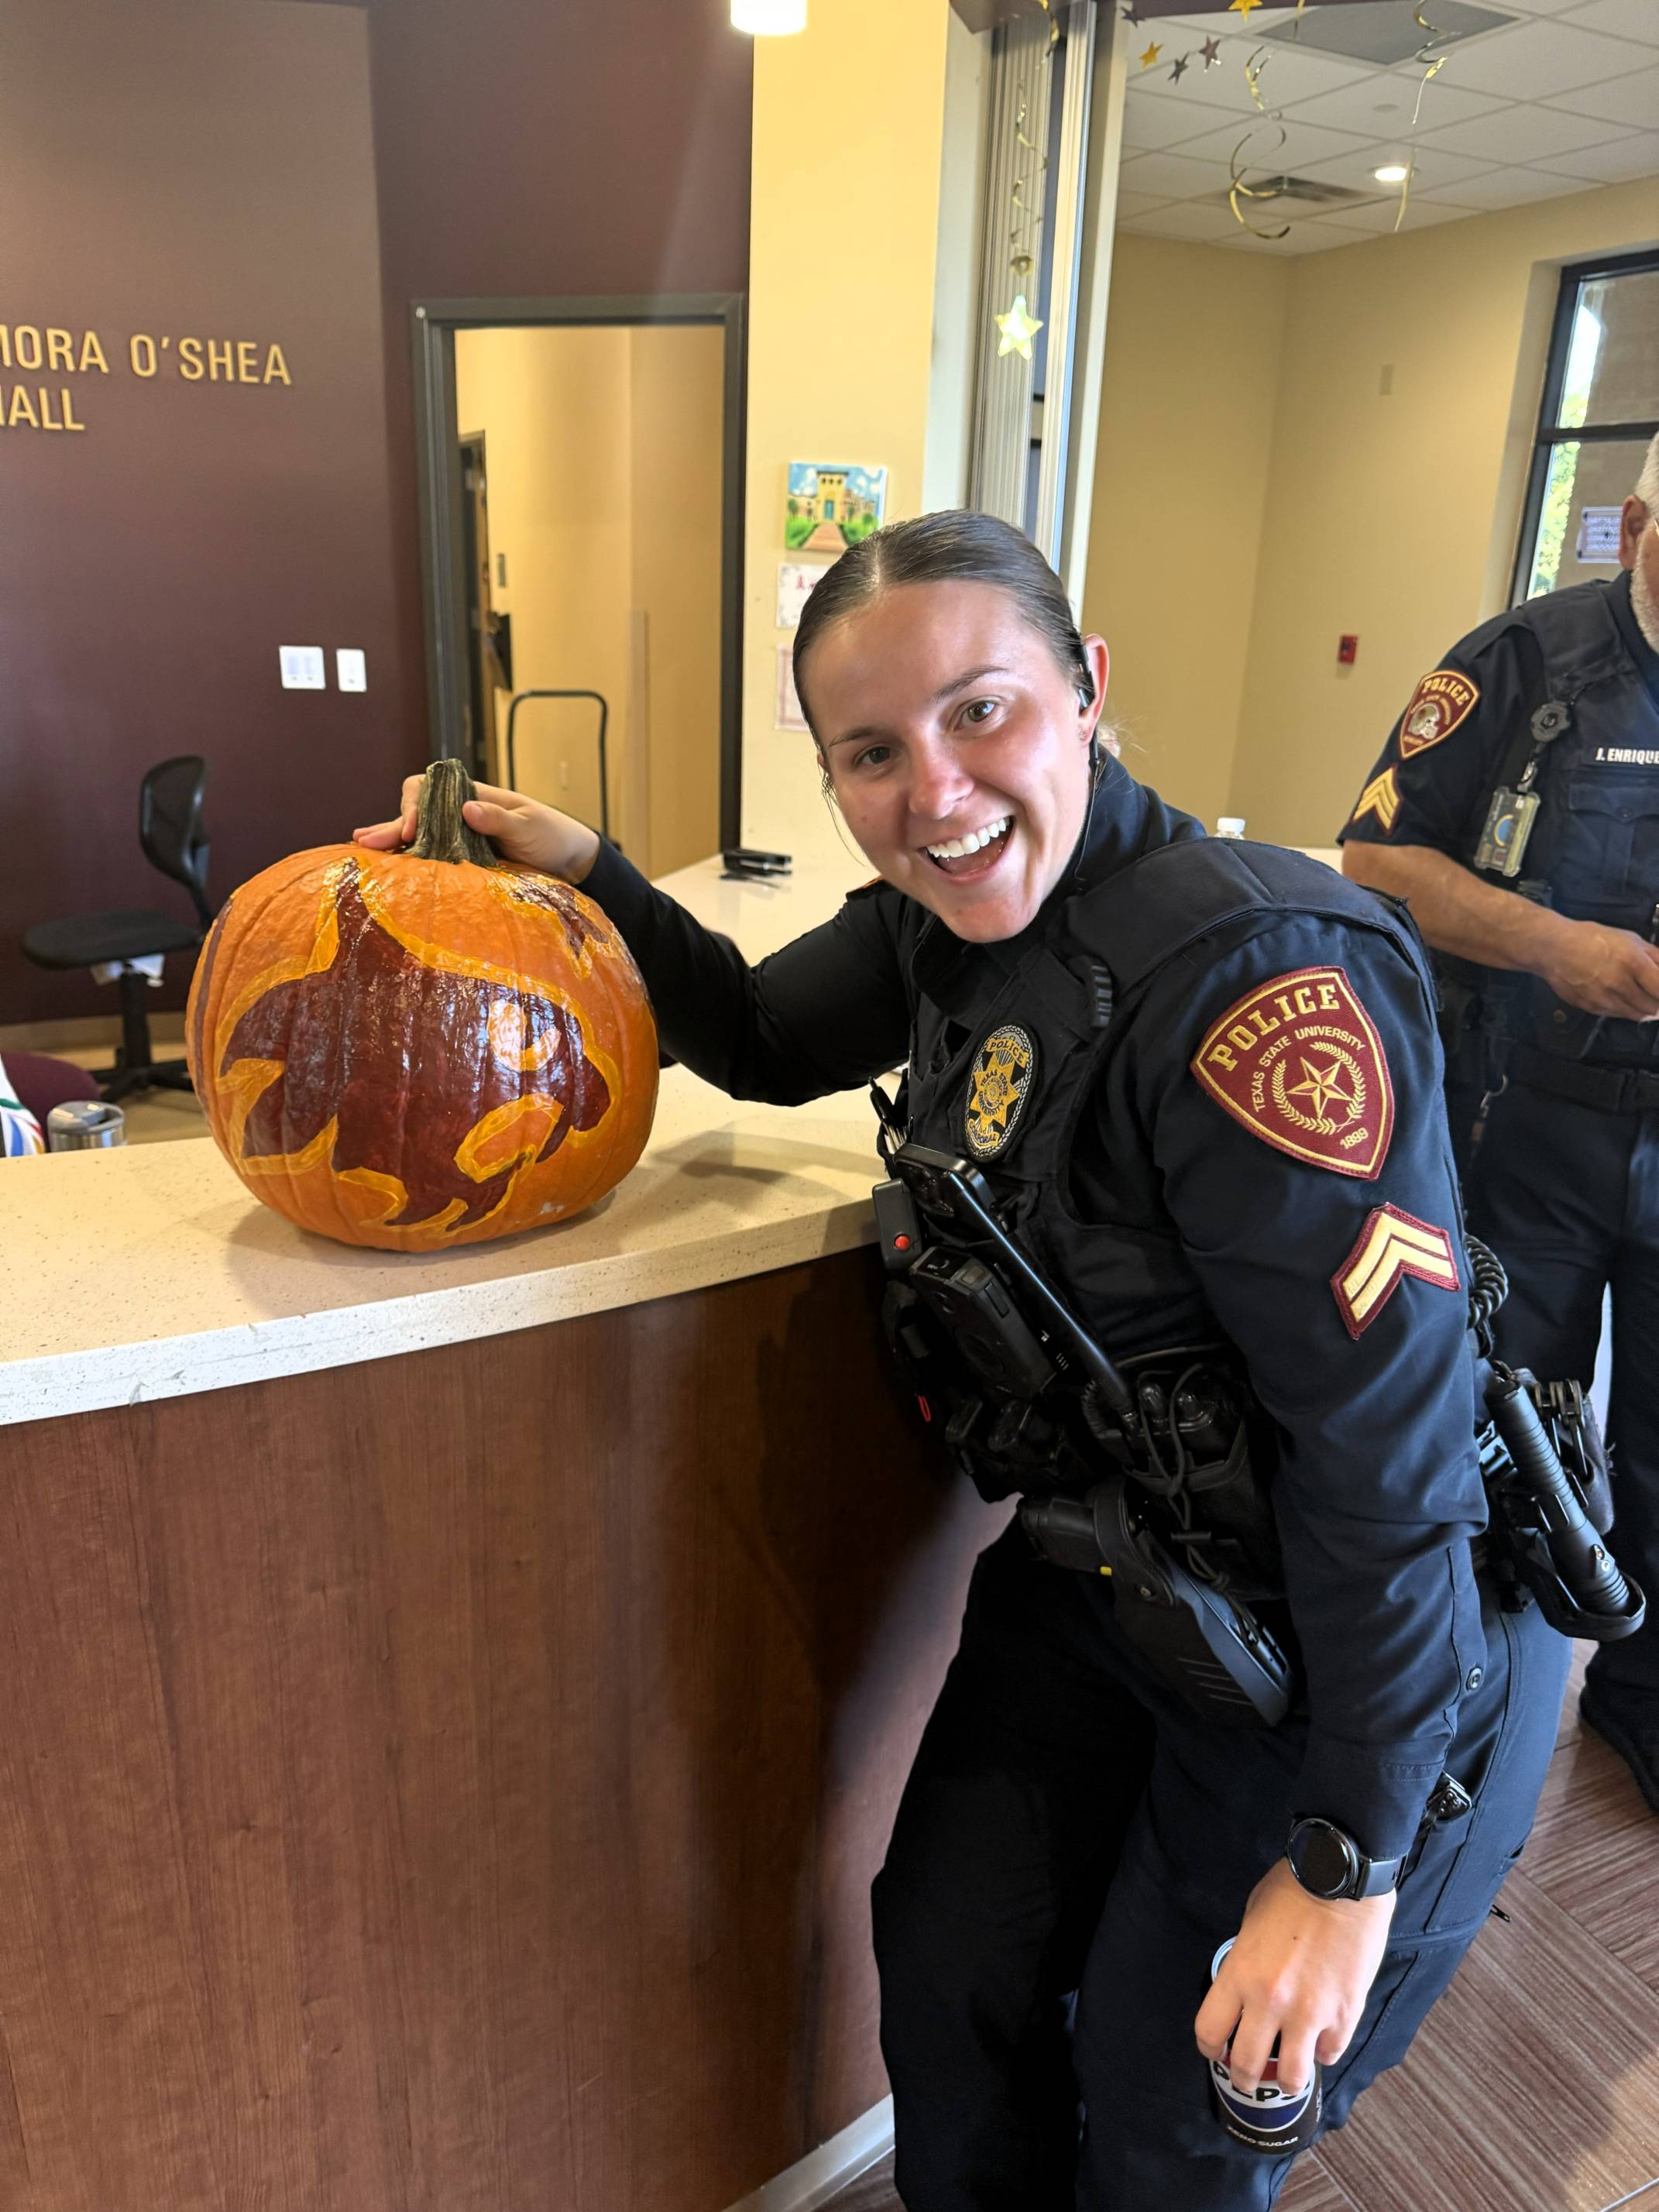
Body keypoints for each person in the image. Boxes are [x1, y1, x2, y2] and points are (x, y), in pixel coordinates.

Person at [357, 513, 1568, 2210]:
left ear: (1087, 691)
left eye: (981, 712)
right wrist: (586, 872)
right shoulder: (950, 919)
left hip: (1345, 1644)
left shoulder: (1255, 986)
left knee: (1165, 2112)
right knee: (947, 1975)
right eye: (873, 751)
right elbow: (765, 1038)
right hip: (1117, 1575)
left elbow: (1392, 1458)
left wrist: (1343, 1864)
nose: (933, 790)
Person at [1341, 432, 1659, 1816]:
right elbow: (1374, 859)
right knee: (1498, 1432)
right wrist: (1551, 947)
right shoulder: (1521, 662)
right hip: (1520, 1127)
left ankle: (1639, 1709)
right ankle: (1454, 1719)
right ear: (1638, 520)